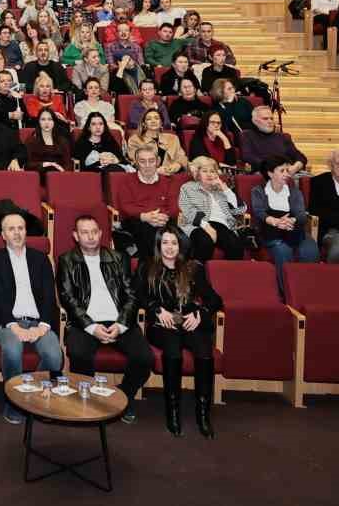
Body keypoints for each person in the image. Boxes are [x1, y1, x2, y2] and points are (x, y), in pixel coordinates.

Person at [55, 213, 153, 422]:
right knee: (78, 352)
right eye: (84, 232)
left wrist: (121, 324)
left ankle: (124, 396)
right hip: (85, 323)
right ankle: (89, 399)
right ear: (75, 236)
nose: (90, 237)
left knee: (145, 358)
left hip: (119, 321)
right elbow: (68, 299)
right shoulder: (66, 260)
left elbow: (132, 295)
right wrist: (92, 327)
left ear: (101, 234)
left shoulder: (119, 258)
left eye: (94, 232)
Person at [137, 225, 219, 438]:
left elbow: (214, 299)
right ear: (158, 245)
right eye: (165, 242)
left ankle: (203, 414)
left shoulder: (193, 268)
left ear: (181, 245)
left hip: (189, 322)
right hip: (162, 325)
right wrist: (156, 310)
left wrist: (200, 313)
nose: (170, 247)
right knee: (172, 352)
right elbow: (139, 296)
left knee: (204, 353)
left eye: (174, 242)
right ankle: (172, 412)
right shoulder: (147, 267)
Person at [0, 209, 64, 425]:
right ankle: (14, 401)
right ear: (3, 235)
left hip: (39, 322)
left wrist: (44, 326)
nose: (17, 233)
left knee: (54, 355)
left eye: (21, 228)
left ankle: (34, 396)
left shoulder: (41, 259)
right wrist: (14, 326)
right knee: (12, 350)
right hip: (8, 322)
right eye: (11, 229)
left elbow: (50, 296)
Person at [250, 156, 319, 292]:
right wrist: (276, 222)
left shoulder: (294, 192)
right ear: (270, 173)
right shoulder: (258, 191)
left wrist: (291, 220)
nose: (287, 174)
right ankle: (287, 292)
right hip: (270, 231)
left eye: (287, 170)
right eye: (282, 171)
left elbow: (301, 214)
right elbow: (259, 213)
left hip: (293, 229)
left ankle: (308, 290)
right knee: (283, 251)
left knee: (310, 250)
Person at [116, 145, 181, 259]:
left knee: (184, 241)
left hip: (163, 221)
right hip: (136, 221)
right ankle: (153, 272)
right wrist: (145, 216)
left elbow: (174, 207)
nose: (147, 165)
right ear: (136, 162)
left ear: (157, 162)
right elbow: (125, 206)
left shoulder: (168, 182)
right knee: (152, 237)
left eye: (151, 161)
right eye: (142, 161)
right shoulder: (126, 181)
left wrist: (161, 216)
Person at [177, 155, 247, 261]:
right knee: (205, 242)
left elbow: (240, 210)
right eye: (205, 171)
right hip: (197, 224)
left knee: (236, 246)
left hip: (223, 226)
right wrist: (206, 226)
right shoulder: (189, 187)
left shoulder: (221, 190)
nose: (209, 174)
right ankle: (197, 274)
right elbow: (187, 209)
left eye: (212, 171)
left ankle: (227, 275)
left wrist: (225, 189)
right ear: (197, 174)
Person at [238, 104, 307, 173]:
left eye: (271, 118)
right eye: (265, 119)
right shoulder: (247, 135)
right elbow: (248, 156)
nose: (270, 121)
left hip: (291, 173)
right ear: (255, 121)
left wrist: (295, 167)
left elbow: (300, 157)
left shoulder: (283, 137)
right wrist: (276, 168)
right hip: (266, 174)